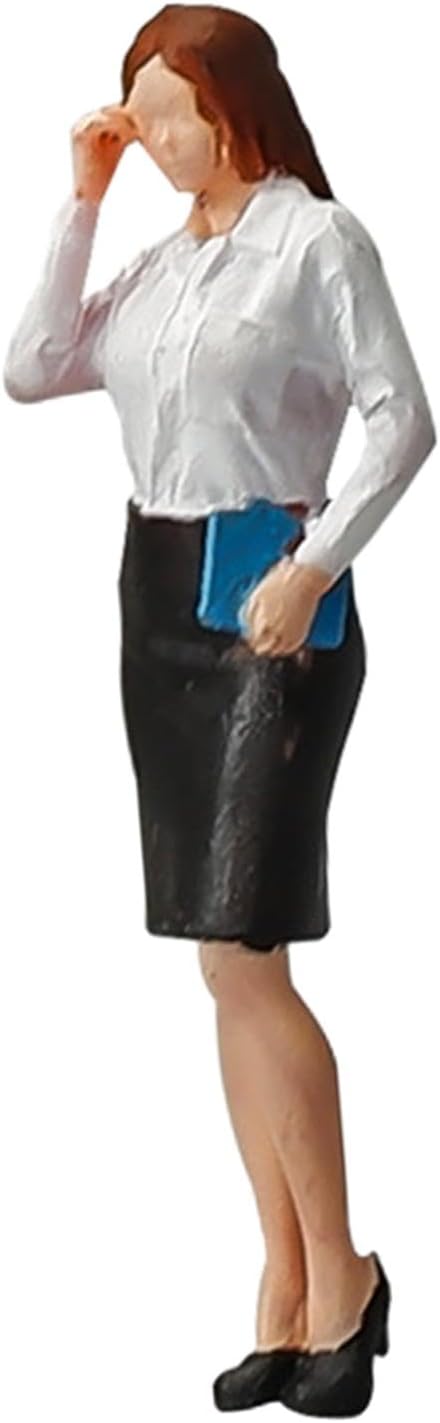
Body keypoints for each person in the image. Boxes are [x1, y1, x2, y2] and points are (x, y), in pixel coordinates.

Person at [3, 6, 436, 1416]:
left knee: (248, 952)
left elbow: (403, 416)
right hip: (155, 598)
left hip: (266, 592)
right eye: (136, 115)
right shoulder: (164, 260)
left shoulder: (318, 244)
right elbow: (32, 367)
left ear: (234, 107)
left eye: (167, 113)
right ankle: (289, 1281)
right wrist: (82, 199)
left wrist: (317, 566)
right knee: (220, 959)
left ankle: (344, 1276)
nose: (151, 137)